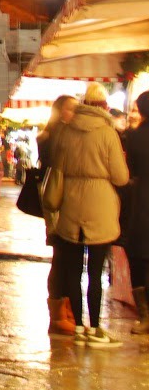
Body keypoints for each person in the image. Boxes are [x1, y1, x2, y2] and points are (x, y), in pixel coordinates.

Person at [48, 82, 130, 348]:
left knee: (72, 269)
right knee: (95, 271)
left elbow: (57, 170)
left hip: (71, 205)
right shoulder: (108, 133)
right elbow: (120, 176)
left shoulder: (65, 132)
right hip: (100, 207)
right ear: (104, 107)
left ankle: (80, 327)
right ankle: (95, 329)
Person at [38, 94, 79, 335]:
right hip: (56, 202)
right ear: (60, 111)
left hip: (64, 201)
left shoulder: (55, 134)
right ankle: (58, 313)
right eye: (71, 109)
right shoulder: (53, 136)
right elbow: (58, 168)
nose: (75, 113)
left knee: (66, 256)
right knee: (61, 255)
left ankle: (66, 309)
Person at [123, 91, 149, 335]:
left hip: (141, 201)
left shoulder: (135, 136)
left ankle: (145, 317)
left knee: (139, 260)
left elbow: (129, 170)